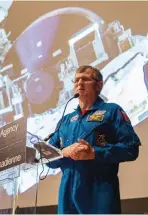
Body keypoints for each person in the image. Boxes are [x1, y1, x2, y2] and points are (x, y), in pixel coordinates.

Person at [47, 65, 141, 214]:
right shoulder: (66, 120)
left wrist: (95, 153)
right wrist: (65, 152)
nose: (79, 83)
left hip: (99, 198)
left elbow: (131, 148)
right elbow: (48, 157)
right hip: (67, 199)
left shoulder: (112, 111)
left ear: (99, 85)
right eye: (76, 80)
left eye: (85, 79)